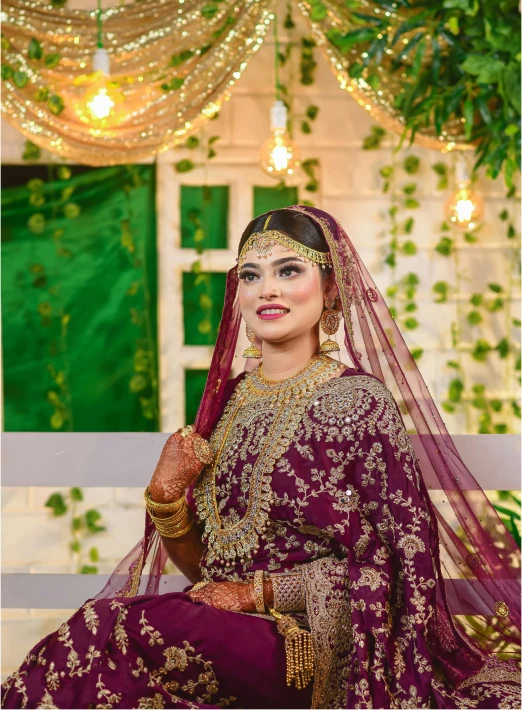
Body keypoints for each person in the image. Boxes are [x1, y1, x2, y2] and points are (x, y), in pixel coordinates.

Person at [2, 206, 520, 709]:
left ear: (332, 286)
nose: (266, 289)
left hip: (311, 646)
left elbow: (397, 570)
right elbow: (208, 569)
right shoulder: (227, 402)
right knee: (102, 638)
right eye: (251, 275)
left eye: (288, 270)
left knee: (110, 627)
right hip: (225, 630)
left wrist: (261, 593)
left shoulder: (359, 402)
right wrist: (163, 497)